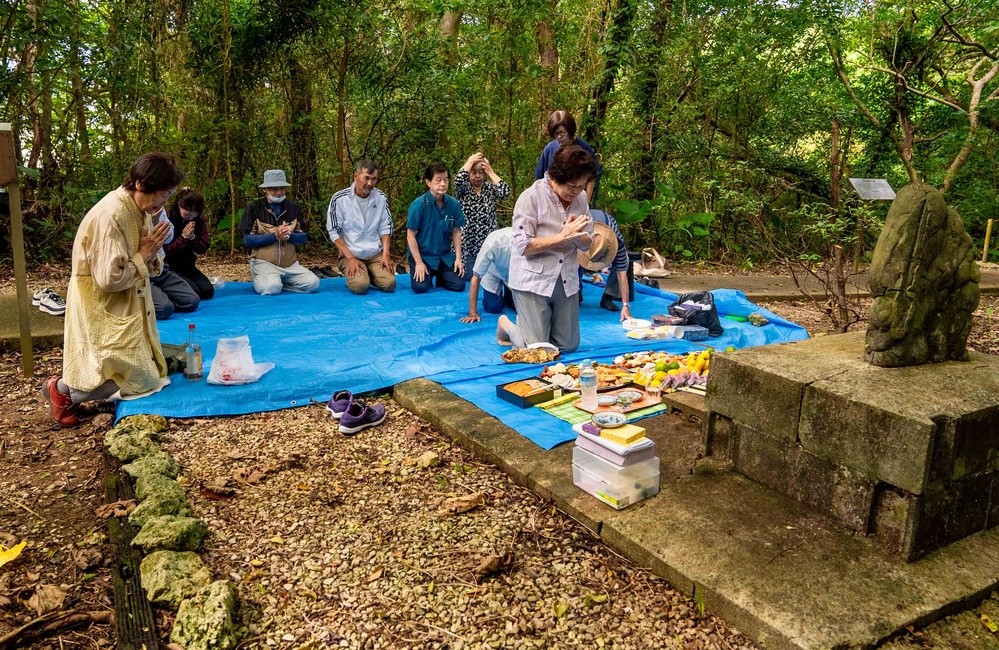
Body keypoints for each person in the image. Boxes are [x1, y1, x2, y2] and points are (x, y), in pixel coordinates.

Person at [43, 152, 183, 427]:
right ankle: (61, 390)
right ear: (142, 184)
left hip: (130, 297)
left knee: (152, 369)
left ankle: (69, 390)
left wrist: (151, 254)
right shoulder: (112, 215)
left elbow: (148, 254)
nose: (164, 202)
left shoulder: (139, 208)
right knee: (140, 378)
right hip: (102, 302)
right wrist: (144, 256)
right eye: (164, 194)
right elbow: (109, 279)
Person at [497, 145, 595, 352]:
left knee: (568, 347)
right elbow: (523, 246)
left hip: (565, 276)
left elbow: (589, 243)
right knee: (539, 350)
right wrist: (561, 237)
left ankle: (534, 328)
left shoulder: (581, 198)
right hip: (533, 278)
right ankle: (506, 325)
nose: (576, 191)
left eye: (581, 186)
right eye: (571, 186)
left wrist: (578, 236)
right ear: (554, 177)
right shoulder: (531, 197)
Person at [240, 169, 320, 296]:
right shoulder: (254, 207)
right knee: (271, 288)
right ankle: (267, 279)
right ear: (265, 190)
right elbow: (247, 239)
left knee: (313, 284)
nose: (278, 193)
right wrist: (275, 236)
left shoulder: (294, 207)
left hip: (290, 265)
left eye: (282, 188)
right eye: (274, 189)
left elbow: (303, 237)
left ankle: (281, 283)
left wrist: (289, 236)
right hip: (263, 263)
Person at [326, 160, 396, 294]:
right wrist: (350, 258)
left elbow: (385, 227)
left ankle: (370, 273)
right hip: (351, 253)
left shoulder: (380, 197)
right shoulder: (340, 199)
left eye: (374, 179)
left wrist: (386, 254)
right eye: (366, 178)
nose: (370, 183)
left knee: (390, 284)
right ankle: (360, 275)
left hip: (375, 253)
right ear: (355, 176)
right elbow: (334, 232)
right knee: (360, 286)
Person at [406, 163, 466, 294]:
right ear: (428, 182)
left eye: (445, 179)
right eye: (438, 180)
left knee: (459, 285)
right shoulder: (418, 205)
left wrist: (458, 259)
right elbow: (411, 235)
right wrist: (419, 263)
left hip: (443, 256)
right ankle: (427, 272)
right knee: (420, 287)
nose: (443, 184)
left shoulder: (453, 204)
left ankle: (441, 277)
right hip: (423, 256)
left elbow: (456, 231)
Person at [454, 152, 511, 280]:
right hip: (467, 246)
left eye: (481, 172)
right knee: (469, 277)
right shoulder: (463, 190)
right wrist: (470, 161)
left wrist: (490, 171)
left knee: (488, 277)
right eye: (474, 172)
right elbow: (457, 181)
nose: (477, 176)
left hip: (487, 245)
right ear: (468, 173)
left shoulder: (490, 189)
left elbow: (505, 191)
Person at [533, 111, 602, 205]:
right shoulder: (549, 148)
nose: (559, 137)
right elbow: (540, 180)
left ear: (570, 131)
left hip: (577, 201)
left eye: (562, 133)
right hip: (552, 202)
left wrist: (586, 204)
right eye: (556, 133)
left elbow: (590, 179)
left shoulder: (584, 148)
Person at [149, 206, 200, 319]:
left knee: (193, 300)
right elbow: (171, 248)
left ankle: (161, 299)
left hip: (161, 268)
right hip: (143, 272)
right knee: (164, 309)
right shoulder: (129, 213)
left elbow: (168, 237)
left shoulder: (159, 209)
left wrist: (190, 238)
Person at [581, 209, 633, 321]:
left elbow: (622, 274)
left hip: (606, 226)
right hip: (581, 235)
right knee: (570, 262)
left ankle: (608, 296)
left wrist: (625, 305)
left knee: (625, 261)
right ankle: (575, 292)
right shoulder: (577, 231)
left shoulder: (617, 242)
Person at [164, 187, 215, 301]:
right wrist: (183, 238)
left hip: (188, 266)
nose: (190, 218)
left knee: (207, 291)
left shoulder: (199, 220)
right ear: (179, 206)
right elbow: (165, 249)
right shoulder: (167, 218)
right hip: (169, 266)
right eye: (187, 215)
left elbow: (203, 248)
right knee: (194, 291)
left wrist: (192, 238)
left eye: (193, 216)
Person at [460, 227, 515, 323]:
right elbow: (476, 277)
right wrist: (473, 313)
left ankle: (509, 297)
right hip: (493, 271)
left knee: (522, 308)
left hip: (515, 274)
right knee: (493, 308)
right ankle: (500, 297)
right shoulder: (492, 244)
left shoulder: (531, 243)